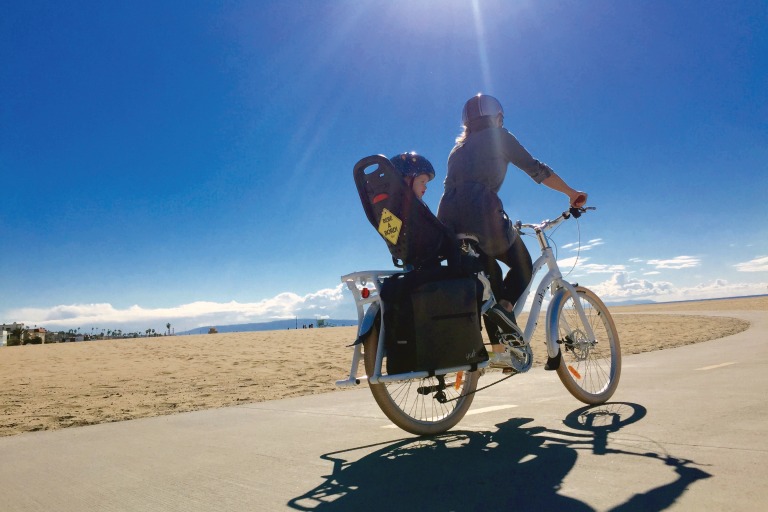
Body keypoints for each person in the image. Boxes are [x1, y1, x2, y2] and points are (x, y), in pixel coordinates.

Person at [436, 94, 587, 369]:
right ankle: (507, 311)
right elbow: (536, 169)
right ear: (497, 117)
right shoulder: (499, 137)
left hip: (449, 223)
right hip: (483, 216)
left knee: (489, 281)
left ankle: (501, 352)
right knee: (523, 265)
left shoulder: (457, 150)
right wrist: (571, 192)